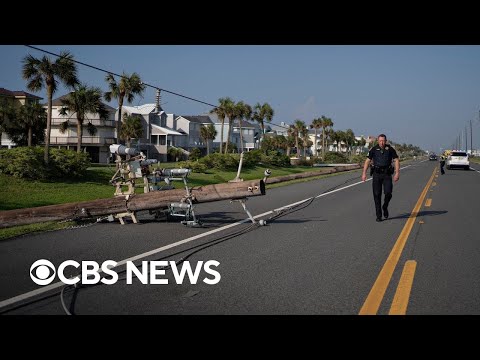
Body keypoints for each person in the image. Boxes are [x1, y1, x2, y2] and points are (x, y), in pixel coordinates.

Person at [361, 134, 400, 222]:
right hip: (376, 174)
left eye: (383, 141)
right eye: (380, 141)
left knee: (388, 193)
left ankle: (385, 206)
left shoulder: (390, 149)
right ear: (378, 141)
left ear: (386, 141)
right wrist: (364, 173)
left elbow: (396, 160)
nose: (382, 142)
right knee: (377, 195)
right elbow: (367, 161)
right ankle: (379, 215)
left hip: (387, 174)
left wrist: (397, 173)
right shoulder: (374, 149)